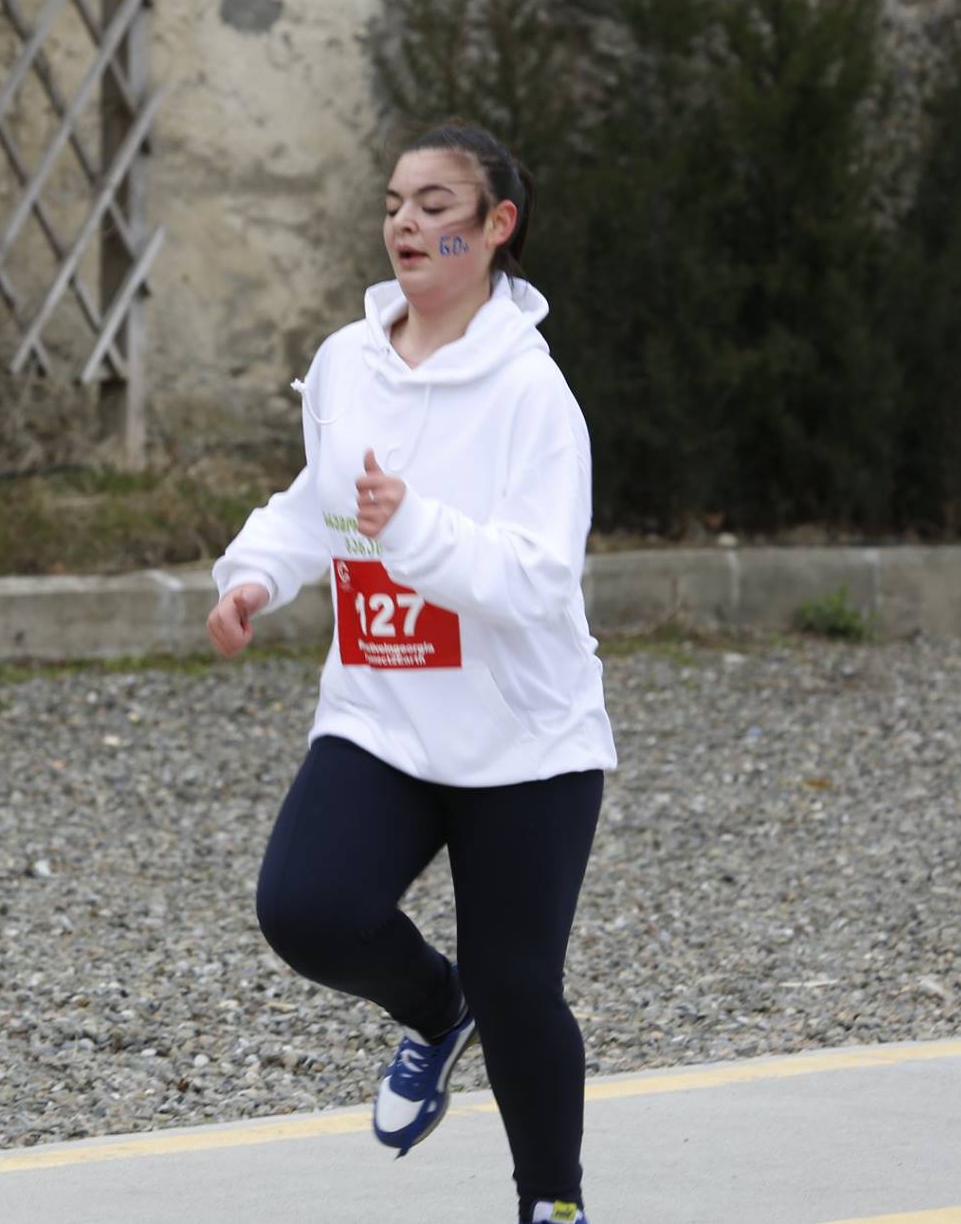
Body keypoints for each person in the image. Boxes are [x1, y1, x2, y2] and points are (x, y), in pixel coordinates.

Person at [205, 122, 616, 1224]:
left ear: (495, 226)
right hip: (382, 713)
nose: (406, 224)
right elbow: (317, 500)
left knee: (519, 986)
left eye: (437, 206)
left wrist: (414, 528)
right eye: (394, 204)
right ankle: (438, 1010)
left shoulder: (533, 396)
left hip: (522, 740)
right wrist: (254, 577)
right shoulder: (349, 361)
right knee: (305, 909)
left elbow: (537, 578)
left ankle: (552, 1204)